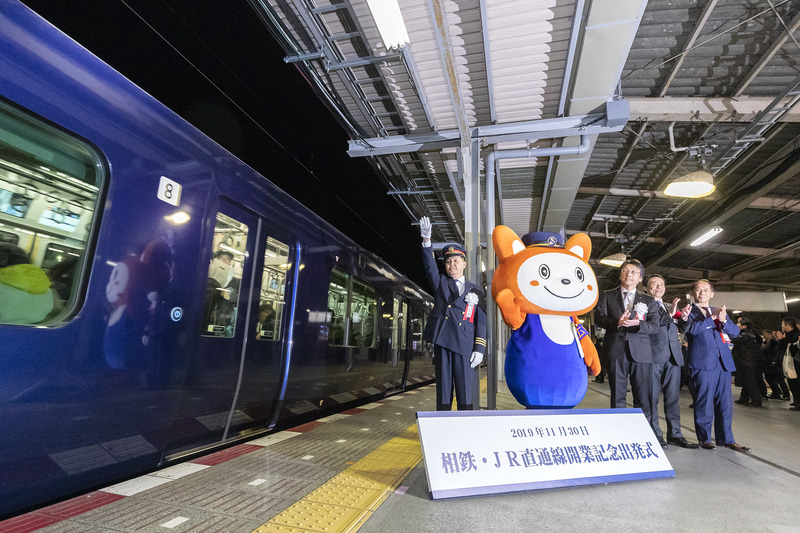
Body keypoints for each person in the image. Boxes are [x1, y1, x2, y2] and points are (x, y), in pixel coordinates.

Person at [419, 217, 487, 410]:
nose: (452, 265)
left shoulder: (476, 291)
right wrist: (426, 241)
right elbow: (430, 267)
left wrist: (480, 349)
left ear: (464, 263)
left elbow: (481, 323)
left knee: (465, 395)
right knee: (443, 394)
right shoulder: (440, 283)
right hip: (443, 344)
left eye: (456, 261)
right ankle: (443, 428)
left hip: (465, 347)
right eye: (448, 262)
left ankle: (465, 430)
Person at [679, 279, 748, 451]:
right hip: (702, 363)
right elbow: (692, 330)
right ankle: (705, 438)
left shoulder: (719, 311)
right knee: (704, 403)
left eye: (706, 290)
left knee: (725, 404)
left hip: (723, 363)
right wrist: (712, 319)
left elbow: (735, 332)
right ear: (693, 293)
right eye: (698, 289)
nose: (702, 293)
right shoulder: (689, 312)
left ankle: (726, 438)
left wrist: (723, 321)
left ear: (712, 293)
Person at [594, 259, 660, 427]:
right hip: (616, 349)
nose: (629, 274)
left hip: (641, 352)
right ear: (620, 274)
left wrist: (638, 324)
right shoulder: (608, 295)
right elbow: (599, 318)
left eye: (634, 272)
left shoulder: (648, 300)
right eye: (625, 271)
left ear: (640, 279)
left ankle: (643, 430)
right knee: (617, 393)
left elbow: (654, 326)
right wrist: (617, 323)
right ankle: (619, 430)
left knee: (643, 394)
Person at [645, 274, 699, 449]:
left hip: (673, 357)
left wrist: (683, 317)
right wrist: (669, 315)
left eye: (661, 284)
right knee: (652, 398)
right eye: (654, 284)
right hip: (652, 356)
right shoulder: (642, 306)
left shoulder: (670, 306)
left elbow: (681, 328)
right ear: (646, 288)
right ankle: (655, 434)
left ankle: (675, 434)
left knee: (673, 398)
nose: (658, 287)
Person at [731, 316, 762, 407]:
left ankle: (756, 400)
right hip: (745, 361)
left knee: (750, 382)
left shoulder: (746, 335)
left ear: (744, 326)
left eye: (738, 324)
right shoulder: (747, 334)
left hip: (746, 362)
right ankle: (744, 398)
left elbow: (734, 339)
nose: (737, 325)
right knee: (746, 382)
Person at [778, 317, 800, 410]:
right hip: (791, 362)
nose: (782, 326)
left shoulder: (794, 335)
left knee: (796, 383)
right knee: (792, 382)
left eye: (783, 324)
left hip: (795, 363)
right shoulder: (790, 335)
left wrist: (783, 340)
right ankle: (796, 401)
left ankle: (798, 402)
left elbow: (793, 350)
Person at [763, 329, 791, 400]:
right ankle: (777, 392)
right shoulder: (769, 342)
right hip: (772, 362)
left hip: (777, 362)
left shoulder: (777, 343)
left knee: (780, 379)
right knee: (771, 378)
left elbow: (778, 351)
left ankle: (785, 394)